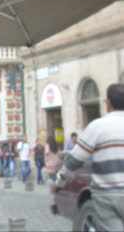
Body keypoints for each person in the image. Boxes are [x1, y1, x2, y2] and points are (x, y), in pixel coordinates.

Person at [53, 83, 124, 231]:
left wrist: (59, 182)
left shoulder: (98, 126)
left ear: (108, 103)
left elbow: (74, 160)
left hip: (107, 196)